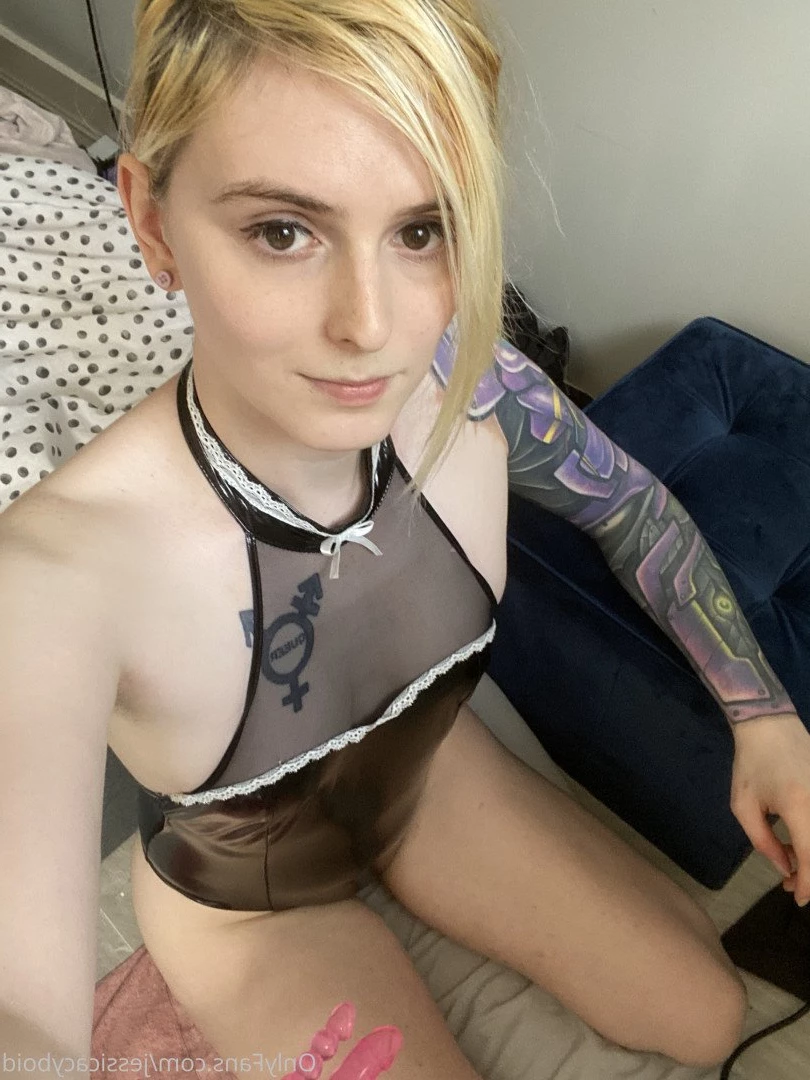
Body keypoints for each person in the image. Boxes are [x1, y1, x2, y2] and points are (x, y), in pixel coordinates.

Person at [2, 0, 809, 1077]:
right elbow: (22, 1011)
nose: (372, 327)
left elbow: (633, 512)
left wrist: (765, 717)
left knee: (708, 1017)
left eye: (421, 230)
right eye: (282, 231)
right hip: (251, 903)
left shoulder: (473, 386)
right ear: (152, 223)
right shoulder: (57, 574)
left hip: (427, 781)